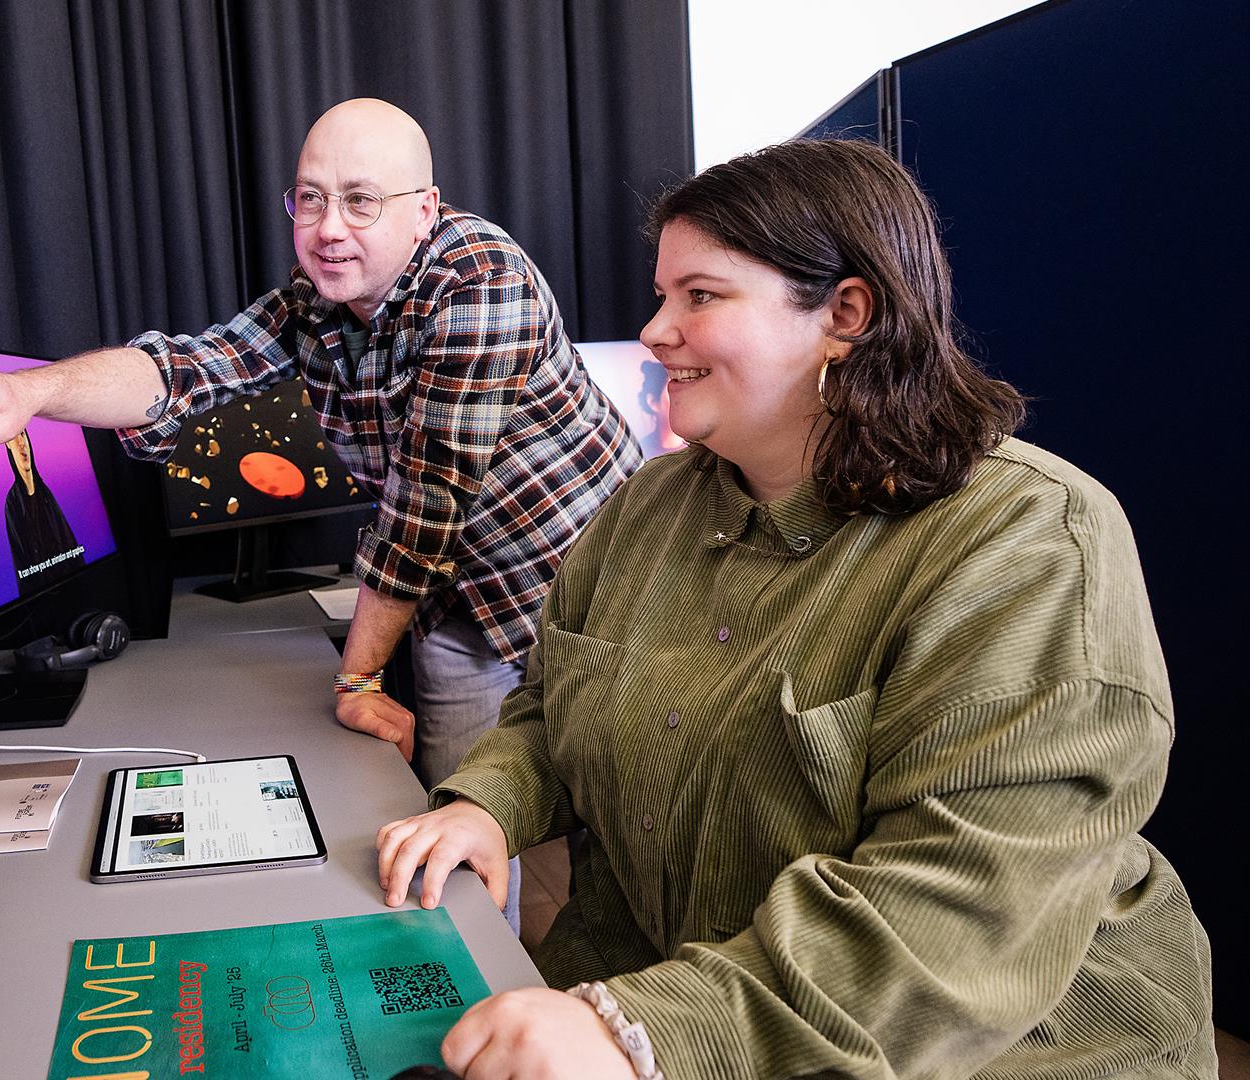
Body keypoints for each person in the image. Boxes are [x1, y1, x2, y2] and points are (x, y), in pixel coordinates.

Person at [375, 140, 1215, 1079]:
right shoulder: (650, 507)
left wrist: (637, 1030)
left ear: (845, 316)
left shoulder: (1028, 543)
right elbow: (549, 706)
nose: (654, 332)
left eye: (700, 296)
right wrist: (493, 803)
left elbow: (949, 920)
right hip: (671, 1001)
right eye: (663, 297)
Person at [0, 99, 640, 806]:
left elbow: (426, 504)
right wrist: (25, 393)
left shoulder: (481, 280)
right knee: (467, 823)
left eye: (360, 199)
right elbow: (184, 369)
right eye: (310, 199)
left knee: (610, 828)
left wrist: (355, 683)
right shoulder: (314, 303)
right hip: (460, 606)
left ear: (425, 210)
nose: (328, 228)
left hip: (592, 588)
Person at [2, 427, 83, 596]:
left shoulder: (46, 492)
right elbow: (21, 562)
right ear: (8, 445)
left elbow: (68, 540)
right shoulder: (12, 502)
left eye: (23, 435)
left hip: (73, 587)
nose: (21, 444)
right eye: (14, 437)